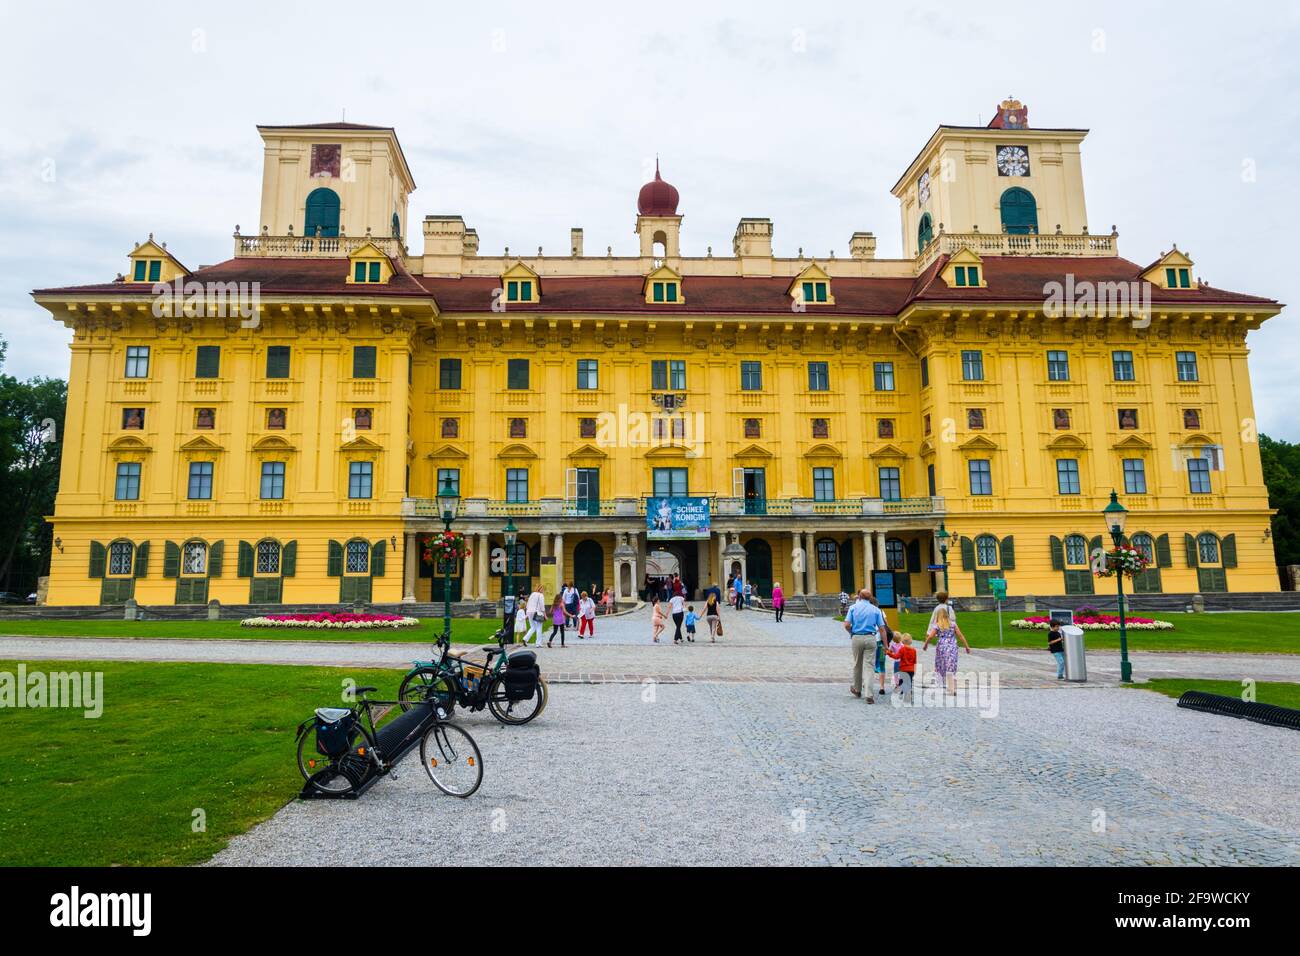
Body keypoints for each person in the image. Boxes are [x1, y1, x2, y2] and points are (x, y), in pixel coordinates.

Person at [843, 589, 886, 703]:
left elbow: (846, 624)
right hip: (871, 638)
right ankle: (869, 695)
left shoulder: (853, 608)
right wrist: (886, 645)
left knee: (857, 664)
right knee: (869, 666)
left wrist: (852, 632)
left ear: (859, 597)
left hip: (857, 637)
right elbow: (882, 629)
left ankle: (857, 689)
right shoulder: (876, 610)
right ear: (870, 598)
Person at [923, 605, 972, 696]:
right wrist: (967, 647)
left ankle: (947, 687)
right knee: (951, 667)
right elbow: (960, 636)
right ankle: (952, 688)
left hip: (942, 647)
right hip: (953, 646)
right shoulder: (953, 624)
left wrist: (926, 645)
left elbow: (930, 636)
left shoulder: (937, 625)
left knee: (942, 666)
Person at [886, 633, 917, 704]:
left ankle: (900, 693)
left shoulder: (902, 649)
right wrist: (915, 669)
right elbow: (915, 661)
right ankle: (908, 695)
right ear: (911, 641)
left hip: (903, 669)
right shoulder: (914, 650)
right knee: (909, 682)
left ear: (902, 641)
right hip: (911, 669)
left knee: (902, 681)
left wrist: (889, 653)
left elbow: (896, 657)